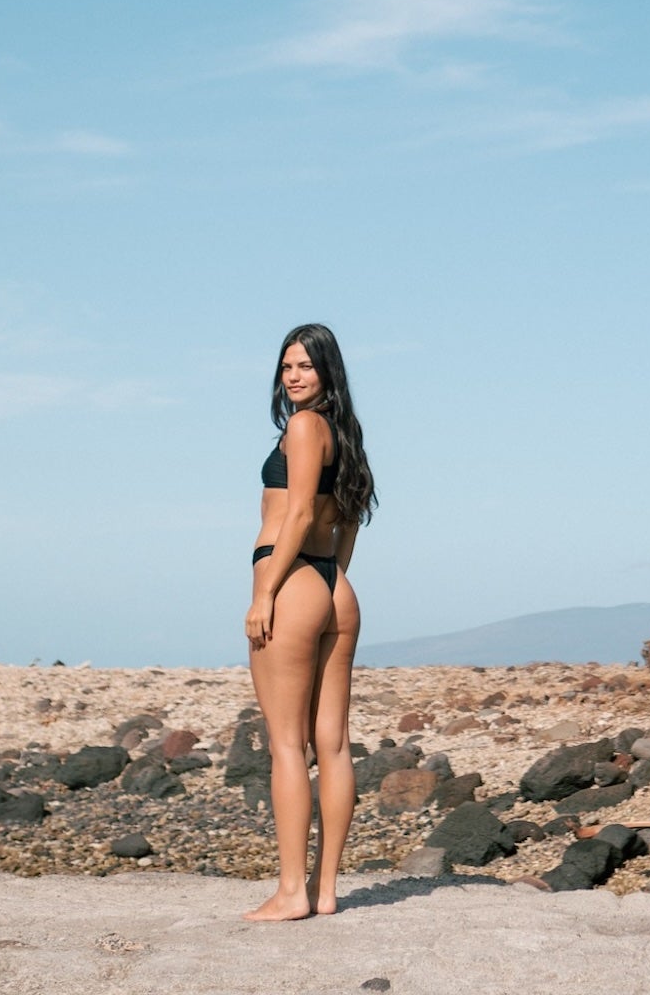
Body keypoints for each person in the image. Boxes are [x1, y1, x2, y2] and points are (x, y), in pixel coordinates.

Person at [243, 323, 376, 920]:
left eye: (305, 366)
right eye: (286, 366)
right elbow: (344, 522)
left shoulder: (301, 427)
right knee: (335, 746)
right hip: (334, 585)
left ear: (327, 372)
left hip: (293, 581)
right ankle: (325, 893)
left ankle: (293, 892)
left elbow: (296, 513)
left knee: (286, 746)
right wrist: (329, 578)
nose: (293, 376)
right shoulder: (344, 434)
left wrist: (266, 592)